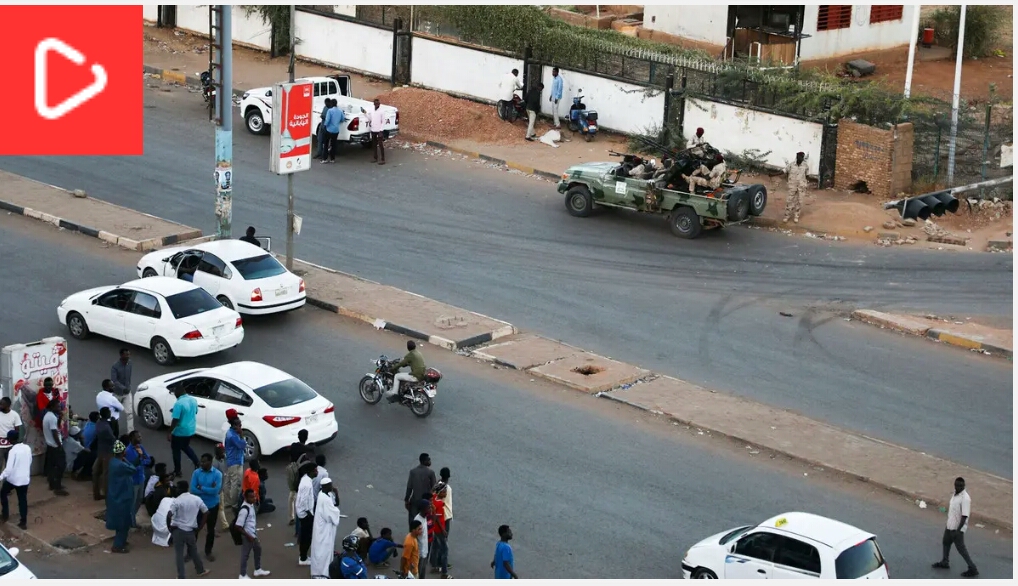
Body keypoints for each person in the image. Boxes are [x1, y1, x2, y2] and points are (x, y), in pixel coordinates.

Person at [933, 477, 978, 578]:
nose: (959, 487)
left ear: (964, 486)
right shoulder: (954, 494)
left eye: (961, 486)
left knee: (961, 549)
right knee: (945, 542)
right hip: (950, 525)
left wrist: (958, 531)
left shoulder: (965, 498)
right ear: (954, 485)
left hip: (957, 529)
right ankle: (945, 561)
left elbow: (965, 516)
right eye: (957, 485)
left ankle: (973, 568)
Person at [168, 479, 210, 578]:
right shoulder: (196, 499)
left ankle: (181, 577)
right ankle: (200, 570)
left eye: (177, 487)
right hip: (191, 531)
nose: (176, 489)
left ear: (180, 489)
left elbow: (169, 515)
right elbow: (206, 512)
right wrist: (200, 527)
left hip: (178, 530)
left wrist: (169, 527)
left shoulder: (177, 501)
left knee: (179, 554)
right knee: (193, 551)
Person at [190, 453, 223, 562]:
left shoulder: (217, 474)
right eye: (201, 461)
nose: (201, 463)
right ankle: (191, 552)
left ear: (210, 462)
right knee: (195, 529)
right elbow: (193, 489)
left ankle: (208, 551)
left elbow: (216, 491)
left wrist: (201, 487)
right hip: (199, 506)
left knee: (211, 530)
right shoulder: (196, 473)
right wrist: (208, 489)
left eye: (204, 461)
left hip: (212, 506)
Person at [105, 440, 136, 553]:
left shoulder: (113, 462)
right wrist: (125, 459)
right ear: (123, 453)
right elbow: (133, 469)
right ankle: (118, 545)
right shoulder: (121, 465)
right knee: (123, 523)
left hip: (116, 496)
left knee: (120, 521)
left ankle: (121, 541)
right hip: (122, 498)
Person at [167, 385, 200, 478]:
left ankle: (177, 471)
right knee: (185, 446)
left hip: (179, 432)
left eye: (175, 393)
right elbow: (195, 411)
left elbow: (175, 420)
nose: (175, 395)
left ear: (178, 392)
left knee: (176, 451)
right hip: (190, 430)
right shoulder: (193, 400)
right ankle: (197, 462)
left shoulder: (178, 403)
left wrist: (169, 432)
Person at [0, 430, 31, 530]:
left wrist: (0, 477)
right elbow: (30, 461)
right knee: (22, 499)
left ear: (9, 440)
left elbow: (8, 470)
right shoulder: (27, 447)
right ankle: (23, 522)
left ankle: (5, 515)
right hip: (25, 479)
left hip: (13, 479)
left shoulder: (12, 451)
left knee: (3, 493)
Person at [310, 476, 340, 578]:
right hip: (324, 529)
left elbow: (336, 504)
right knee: (323, 550)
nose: (332, 486)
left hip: (322, 527)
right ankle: (322, 573)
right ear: (325, 486)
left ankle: (320, 571)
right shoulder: (325, 499)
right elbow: (332, 513)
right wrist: (336, 512)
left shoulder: (323, 494)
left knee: (321, 550)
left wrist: (336, 493)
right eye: (330, 485)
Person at [237, 488, 271, 578]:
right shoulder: (244, 510)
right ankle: (242, 574)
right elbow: (238, 526)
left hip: (253, 534)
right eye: (251, 497)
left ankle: (258, 569)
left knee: (258, 549)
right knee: (245, 555)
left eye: (254, 496)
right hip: (248, 535)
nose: (254, 499)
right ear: (245, 498)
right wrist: (248, 536)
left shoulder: (251, 505)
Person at [124, 430, 153, 528]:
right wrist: (141, 459)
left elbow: (148, 460)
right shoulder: (128, 451)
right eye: (138, 437)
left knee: (139, 500)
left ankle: (131, 517)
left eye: (140, 436)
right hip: (133, 480)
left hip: (141, 478)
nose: (140, 438)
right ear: (132, 438)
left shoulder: (141, 447)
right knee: (133, 502)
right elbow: (132, 466)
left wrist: (142, 460)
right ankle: (131, 522)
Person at [42, 399, 68, 496]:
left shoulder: (49, 416)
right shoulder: (51, 417)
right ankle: (58, 487)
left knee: (52, 466)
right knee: (61, 466)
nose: (60, 408)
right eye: (57, 406)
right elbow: (54, 433)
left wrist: (60, 418)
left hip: (50, 445)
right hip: (55, 445)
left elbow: (56, 427)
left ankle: (53, 484)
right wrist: (59, 445)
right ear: (52, 407)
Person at [404, 452, 437, 528]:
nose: (430, 461)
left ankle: (412, 536)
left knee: (413, 520)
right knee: (424, 521)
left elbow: (409, 487)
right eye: (429, 460)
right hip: (425, 502)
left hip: (415, 500)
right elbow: (434, 488)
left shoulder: (413, 472)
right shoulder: (431, 473)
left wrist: (406, 500)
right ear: (424, 461)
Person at [295, 462, 318, 566]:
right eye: (315, 470)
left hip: (302, 512)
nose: (317, 472)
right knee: (307, 537)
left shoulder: (305, 479)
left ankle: (303, 556)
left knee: (305, 535)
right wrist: (310, 515)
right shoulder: (307, 484)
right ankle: (303, 558)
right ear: (311, 472)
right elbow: (304, 501)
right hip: (305, 514)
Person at [92, 407, 116, 500]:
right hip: (107, 452)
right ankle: (107, 495)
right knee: (106, 474)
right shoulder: (106, 427)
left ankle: (96, 493)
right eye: (109, 412)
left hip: (100, 450)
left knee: (96, 472)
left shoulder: (99, 423)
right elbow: (112, 438)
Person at [224, 418, 245, 518]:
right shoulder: (233, 436)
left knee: (228, 482)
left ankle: (228, 501)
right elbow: (242, 445)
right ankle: (234, 503)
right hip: (236, 462)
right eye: (239, 425)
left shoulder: (229, 433)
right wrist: (241, 435)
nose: (240, 427)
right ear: (234, 425)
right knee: (235, 484)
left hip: (230, 460)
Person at [428, 483, 450, 578]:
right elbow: (437, 518)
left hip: (434, 529)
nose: (445, 493)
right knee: (445, 549)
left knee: (435, 546)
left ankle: (434, 566)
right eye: (444, 492)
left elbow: (432, 491)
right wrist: (443, 530)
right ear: (440, 492)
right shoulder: (439, 504)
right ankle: (444, 572)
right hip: (439, 530)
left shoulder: (433, 498)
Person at [784, 151, 808, 224]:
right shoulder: (791, 165)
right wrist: (772, 175)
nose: (801, 158)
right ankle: (786, 216)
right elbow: (785, 172)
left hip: (801, 186)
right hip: (792, 185)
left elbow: (807, 175)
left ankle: (796, 216)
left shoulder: (805, 166)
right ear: (797, 157)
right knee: (789, 200)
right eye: (800, 157)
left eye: (802, 157)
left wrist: (805, 183)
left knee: (800, 201)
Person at [0, 398, 23, 472]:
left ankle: (7, 482)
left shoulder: (15, 415)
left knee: (10, 467)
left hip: (10, 445)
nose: (0, 406)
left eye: (2, 404)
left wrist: (15, 443)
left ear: (8, 405)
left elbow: (17, 430)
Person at [151, 481, 175, 548]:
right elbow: (169, 516)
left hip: (155, 527)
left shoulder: (164, 499)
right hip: (164, 531)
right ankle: (171, 539)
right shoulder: (176, 502)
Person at [322, 98, 344, 164]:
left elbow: (327, 120)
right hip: (336, 130)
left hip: (329, 129)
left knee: (326, 144)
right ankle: (332, 159)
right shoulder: (340, 111)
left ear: (331, 104)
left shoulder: (330, 111)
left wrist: (325, 126)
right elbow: (342, 119)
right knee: (333, 145)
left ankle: (325, 159)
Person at [413, 499, 431, 580]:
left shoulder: (425, 517)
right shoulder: (417, 520)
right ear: (423, 509)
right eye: (428, 507)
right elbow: (414, 537)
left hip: (425, 551)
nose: (430, 508)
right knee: (418, 573)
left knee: (423, 573)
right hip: (419, 553)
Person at [213, 443, 229, 530]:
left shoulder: (222, 459)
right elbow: (213, 479)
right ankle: (224, 525)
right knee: (219, 508)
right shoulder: (215, 464)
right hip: (217, 490)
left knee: (220, 507)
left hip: (221, 488)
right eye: (222, 451)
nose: (223, 452)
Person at [367, 98, 386, 165]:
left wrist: (381, 130)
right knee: (374, 144)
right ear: (374, 104)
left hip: (379, 130)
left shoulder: (382, 111)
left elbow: (384, 122)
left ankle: (383, 159)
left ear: (379, 104)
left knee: (380, 144)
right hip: (373, 129)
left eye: (377, 103)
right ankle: (375, 157)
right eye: (375, 104)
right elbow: (370, 118)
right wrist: (365, 113)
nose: (376, 105)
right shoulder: (372, 110)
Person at [439, 467, 453, 538]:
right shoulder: (446, 488)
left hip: (441, 514)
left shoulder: (438, 485)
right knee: (444, 537)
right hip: (445, 515)